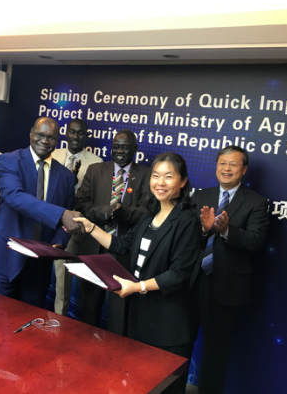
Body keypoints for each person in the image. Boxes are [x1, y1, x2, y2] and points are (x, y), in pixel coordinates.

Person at [74, 153, 201, 394]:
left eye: (168, 177)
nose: (160, 182)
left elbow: (178, 275)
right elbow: (122, 245)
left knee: (165, 388)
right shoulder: (149, 216)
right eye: (156, 176)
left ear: (183, 182)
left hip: (169, 324)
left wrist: (138, 286)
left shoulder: (187, 221)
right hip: (139, 317)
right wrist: (90, 227)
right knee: (139, 384)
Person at [0, 117, 84, 307]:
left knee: (30, 322)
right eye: (40, 135)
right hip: (5, 258)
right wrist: (61, 214)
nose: (44, 141)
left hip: (39, 266)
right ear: (31, 134)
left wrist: (59, 241)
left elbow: (68, 217)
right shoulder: (8, 161)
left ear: (57, 140)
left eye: (51, 138)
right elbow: (15, 197)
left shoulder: (66, 177)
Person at [191, 145, 269, 394]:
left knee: (216, 352)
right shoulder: (200, 196)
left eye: (233, 164)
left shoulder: (256, 202)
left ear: (243, 170)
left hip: (226, 288)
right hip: (192, 283)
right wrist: (204, 230)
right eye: (222, 163)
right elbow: (185, 236)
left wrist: (225, 230)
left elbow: (255, 241)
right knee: (179, 342)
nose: (226, 169)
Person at [75, 129, 150, 334]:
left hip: (124, 251)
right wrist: (105, 212)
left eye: (125, 147)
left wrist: (124, 214)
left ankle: (115, 350)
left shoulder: (146, 175)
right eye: (116, 146)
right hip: (94, 249)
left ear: (135, 149)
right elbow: (81, 203)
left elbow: (148, 211)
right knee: (89, 306)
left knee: (119, 311)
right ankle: (84, 345)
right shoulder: (95, 170)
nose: (120, 151)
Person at [51, 119, 102, 315]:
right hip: (49, 221)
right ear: (66, 133)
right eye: (72, 132)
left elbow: (92, 198)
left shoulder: (96, 162)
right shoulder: (53, 154)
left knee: (65, 279)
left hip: (75, 227)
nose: (75, 136)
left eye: (80, 133)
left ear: (86, 136)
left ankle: (61, 320)